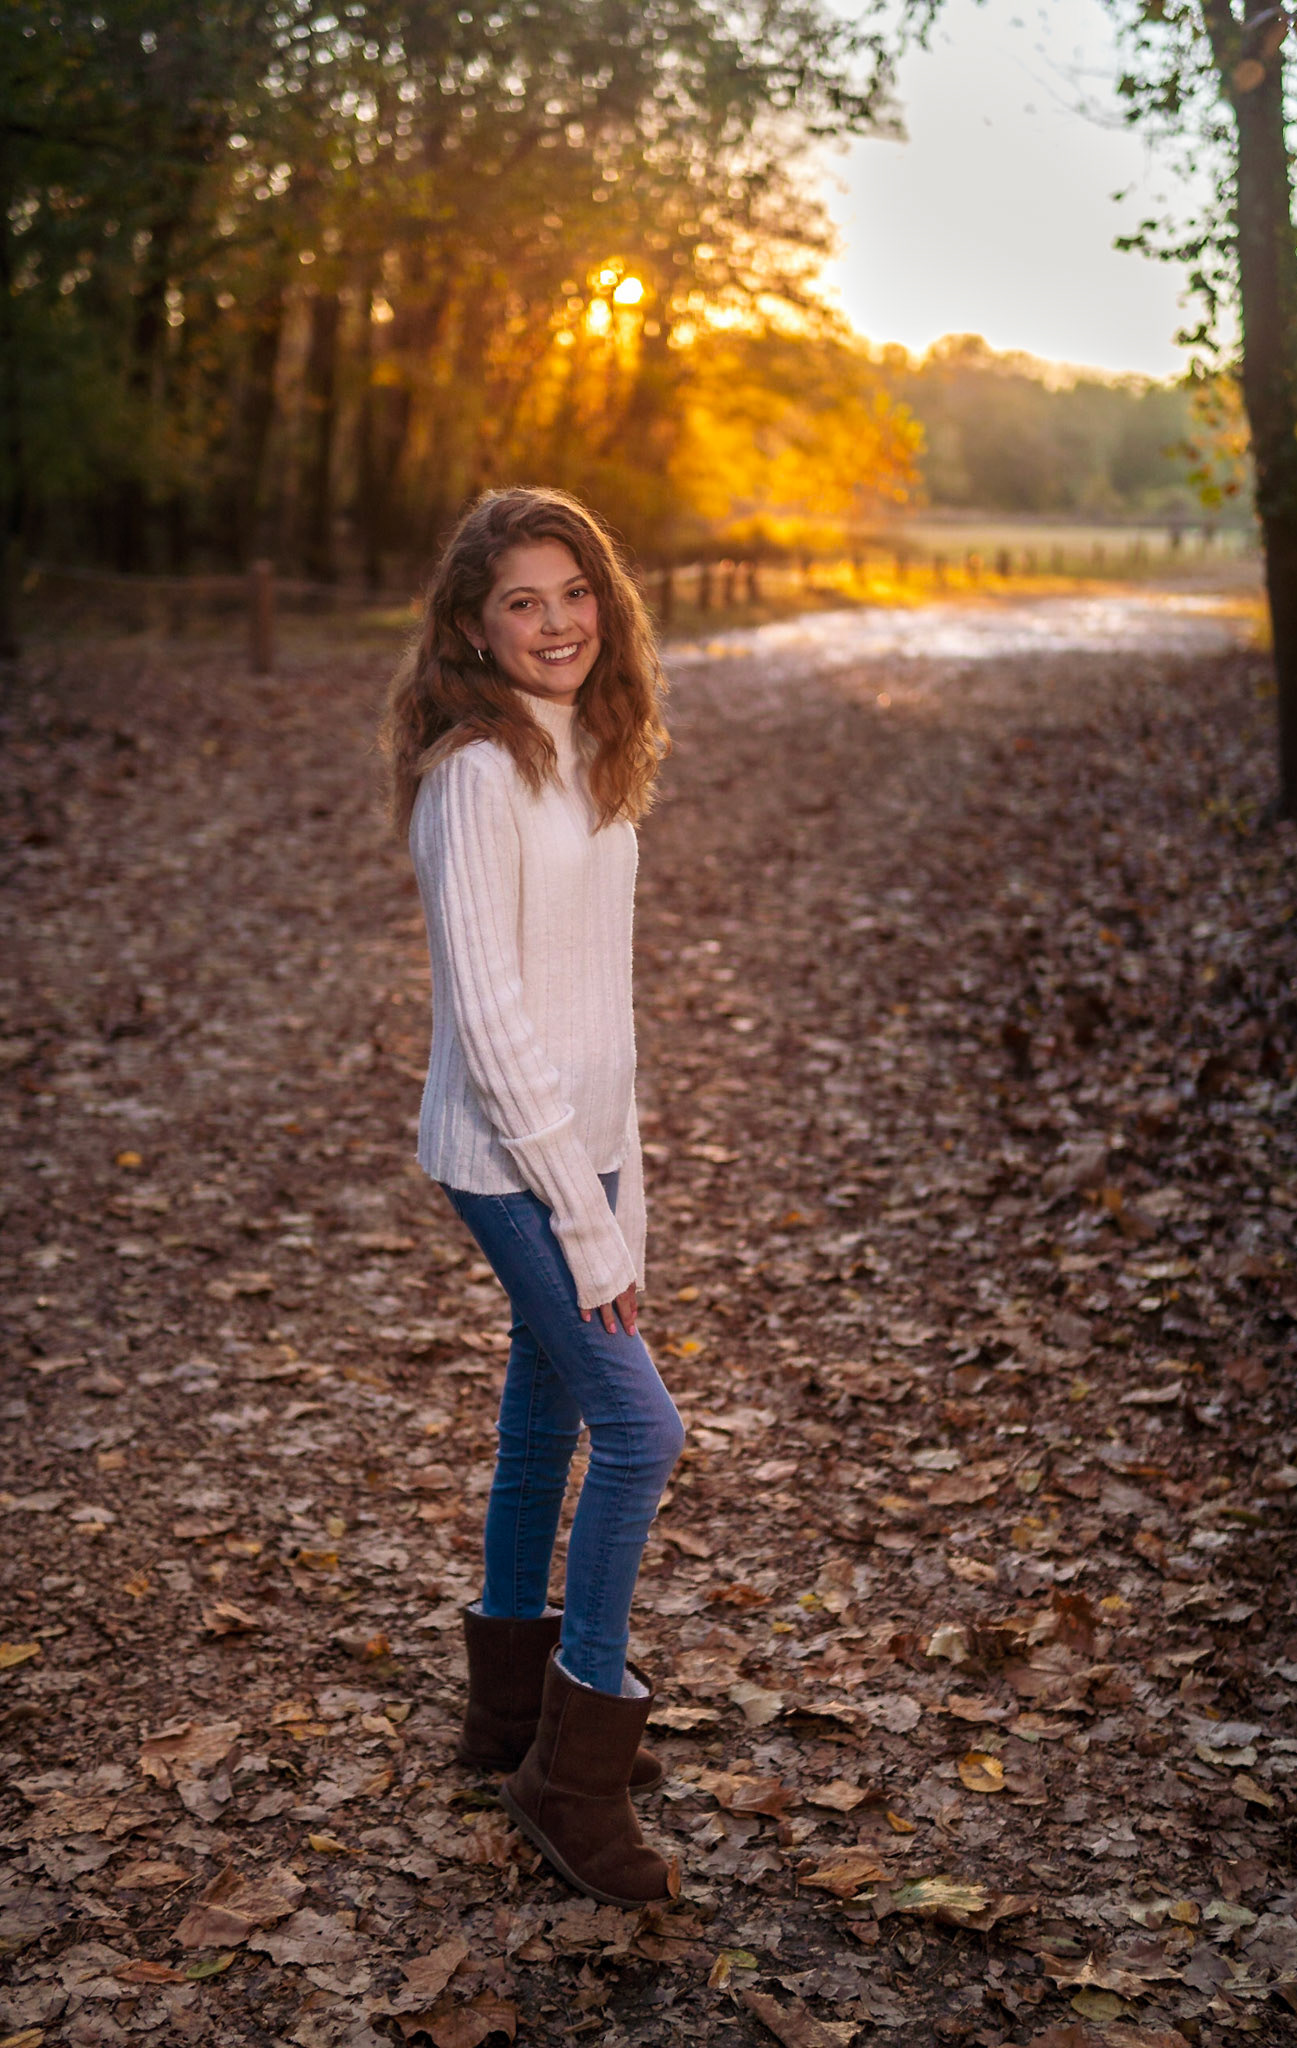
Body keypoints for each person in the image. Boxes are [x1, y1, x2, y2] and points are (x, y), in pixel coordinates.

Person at [382, 486, 684, 1907]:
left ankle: (508, 1718)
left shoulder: (590, 747)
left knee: (543, 1423)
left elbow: (598, 1006)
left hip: (582, 1147)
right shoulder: (473, 777)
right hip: (508, 1160)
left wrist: (626, 1188)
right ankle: (573, 1775)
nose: (557, 623)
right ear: (471, 626)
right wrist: (577, 1208)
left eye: (575, 594)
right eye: (523, 602)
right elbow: (493, 1026)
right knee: (639, 1431)